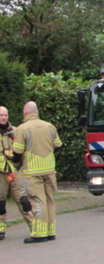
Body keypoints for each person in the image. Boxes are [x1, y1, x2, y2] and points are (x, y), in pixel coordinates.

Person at [12, 101, 63, 243]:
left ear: (25, 112)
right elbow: (58, 145)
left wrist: (16, 162)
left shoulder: (22, 129)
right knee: (49, 200)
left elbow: (17, 153)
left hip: (33, 171)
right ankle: (51, 232)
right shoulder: (50, 127)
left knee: (37, 201)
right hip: (49, 169)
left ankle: (39, 234)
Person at [0, 106, 35, 241]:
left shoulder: (15, 131)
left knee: (23, 200)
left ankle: (35, 227)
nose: (3, 117)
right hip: (1, 173)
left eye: (5, 115)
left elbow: (23, 150)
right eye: (1, 115)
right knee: (0, 203)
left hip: (15, 172)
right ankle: (1, 230)